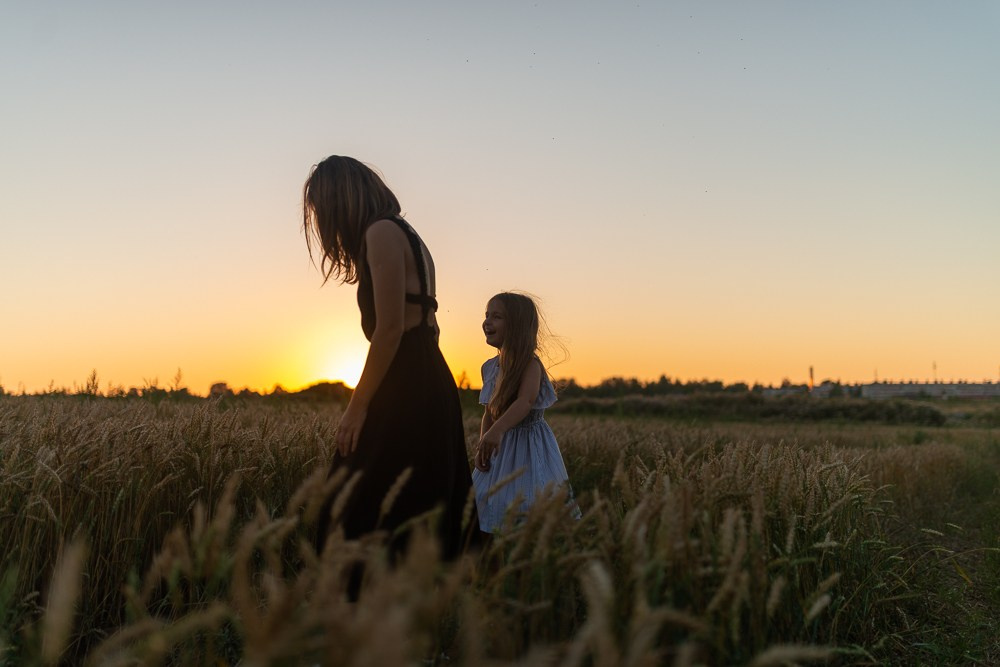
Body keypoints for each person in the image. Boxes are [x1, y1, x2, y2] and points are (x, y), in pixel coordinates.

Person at [303, 155, 477, 566]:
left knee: (353, 500)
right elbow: (429, 328)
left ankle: (359, 605)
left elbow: (390, 330)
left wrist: (356, 407)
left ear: (340, 200)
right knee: (420, 501)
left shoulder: (380, 232)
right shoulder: (410, 236)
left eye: (322, 208)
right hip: (428, 375)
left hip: (405, 384)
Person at [473, 292, 580, 534]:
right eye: (486, 315)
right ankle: (494, 559)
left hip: (529, 445)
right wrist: (484, 440)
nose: (487, 322)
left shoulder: (530, 365)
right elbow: (489, 410)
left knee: (529, 502)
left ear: (517, 326)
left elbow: (525, 401)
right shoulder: (489, 367)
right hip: (499, 445)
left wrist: (497, 430)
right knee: (486, 500)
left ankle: (528, 557)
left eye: (496, 317)